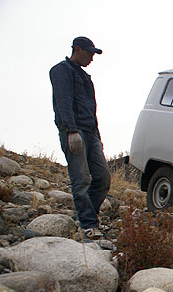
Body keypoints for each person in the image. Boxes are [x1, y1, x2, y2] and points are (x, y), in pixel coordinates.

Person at [49, 36, 110, 239]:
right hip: (74, 132)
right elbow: (63, 103)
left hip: (91, 133)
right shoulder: (61, 70)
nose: (92, 57)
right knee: (81, 178)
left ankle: (87, 215)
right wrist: (71, 131)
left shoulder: (86, 77)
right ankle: (88, 224)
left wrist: (97, 136)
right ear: (77, 49)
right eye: (89, 53)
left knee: (103, 178)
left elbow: (92, 109)